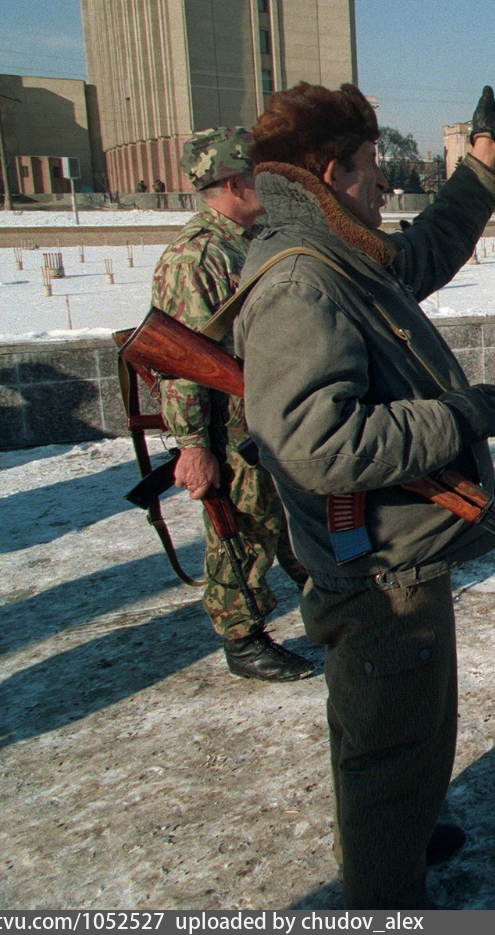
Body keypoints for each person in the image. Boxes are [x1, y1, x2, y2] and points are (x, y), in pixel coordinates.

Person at [232, 81, 495, 907]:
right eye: (370, 172)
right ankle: (384, 890)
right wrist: (451, 420)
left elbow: (422, 255)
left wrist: (482, 163)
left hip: (395, 555)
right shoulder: (301, 281)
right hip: (376, 574)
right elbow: (318, 442)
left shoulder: (332, 250)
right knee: (385, 750)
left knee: (407, 732)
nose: (383, 187)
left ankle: (400, 831)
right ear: (330, 173)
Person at [150, 127, 315, 682]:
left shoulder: (250, 239)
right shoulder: (194, 258)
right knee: (242, 529)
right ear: (233, 181)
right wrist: (193, 447)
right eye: (257, 174)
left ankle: (329, 599)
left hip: (271, 416)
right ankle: (242, 638)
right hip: (230, 428)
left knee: (292, 518)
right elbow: (179, 364)